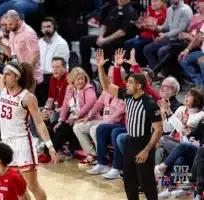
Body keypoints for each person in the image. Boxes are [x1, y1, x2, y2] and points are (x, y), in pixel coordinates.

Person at [0, 26, 57, 200]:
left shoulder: (27, 97)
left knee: (31, 185)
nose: (4, 75)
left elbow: (39, 123)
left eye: (7, 74)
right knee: (18, 188)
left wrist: (50, 146)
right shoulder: (2, 86)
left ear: (16, 77)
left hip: (23, 144)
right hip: (6, 143)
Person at [97, 48, 163, 200]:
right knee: (129, 180)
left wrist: (146, 150)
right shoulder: (126, 96)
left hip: (143, 143)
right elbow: (107, 86)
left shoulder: (149, 103)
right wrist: (101, 67)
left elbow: (158, 129)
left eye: (130, 83)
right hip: (129, 142)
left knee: (147, 182)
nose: (126, 85)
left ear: (139, 86)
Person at [79, 0, 138, 78]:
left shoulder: (131, 11)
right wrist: (101, 37)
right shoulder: (114, 8)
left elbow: (122, 32)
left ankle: (101, 73)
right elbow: (104, 24)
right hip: (106, 37)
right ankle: (86, 68)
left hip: (120, 41)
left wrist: (104, 40)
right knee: (84, 40)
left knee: (106, 45)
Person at [143, 0, 193, 69]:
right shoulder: (170, 9)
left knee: (162, 51)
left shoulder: (186, 10)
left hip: (181, 40)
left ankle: (163, 73)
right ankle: (155, 72)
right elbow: (165, 26)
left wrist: (165, 35)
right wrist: (156, 27)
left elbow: (180, 29)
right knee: (147, 49)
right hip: (170, 38)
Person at [39, 17, 69, 104]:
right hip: (41, 77)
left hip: (54, 77)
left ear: (54, 27)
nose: (46, 29)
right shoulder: (40, 42)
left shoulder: (61, 43)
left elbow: (60, 67)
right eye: (44, 27)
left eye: (48, 26)